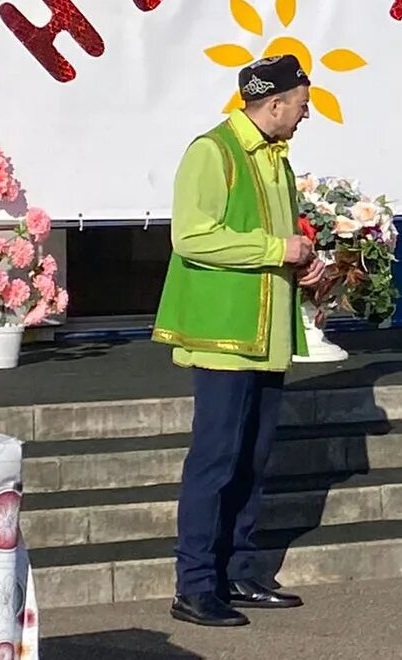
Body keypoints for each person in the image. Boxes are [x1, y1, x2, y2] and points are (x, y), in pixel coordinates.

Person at [152, 54, 326, 627]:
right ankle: (195, 584)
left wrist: (304, 262)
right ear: (273, 104)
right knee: (216, 459)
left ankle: (240, 571)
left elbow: (280, 240)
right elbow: (193, 236)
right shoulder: (213, 152)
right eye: (301, 106)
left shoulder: (275, 158)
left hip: (267, 333)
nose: (305, 116)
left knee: (251, 459)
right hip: (223, 335)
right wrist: (279, 251)